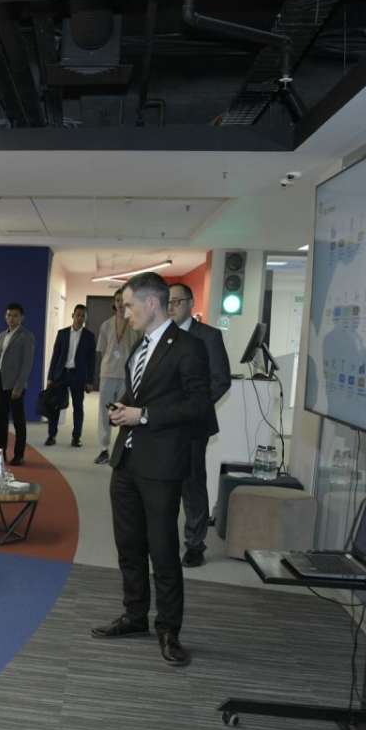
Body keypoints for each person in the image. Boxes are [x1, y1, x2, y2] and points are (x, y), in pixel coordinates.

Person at [91, 272, 211, 668]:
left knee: (162, 550)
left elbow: (198, 406)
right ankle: (135, 614)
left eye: (128, 306)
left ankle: (169, 629)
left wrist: (143, 415)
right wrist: (125, 408)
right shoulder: (141, 346)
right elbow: (141, 392)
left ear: (151, 304)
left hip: (161, 464)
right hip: (127, 461)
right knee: (128, 545)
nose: (124, 313)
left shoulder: (189, 348)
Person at [168, 283, 230, 567]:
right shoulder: (161, 335)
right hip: (163, 423)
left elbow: (220, 380)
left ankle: (195, 543)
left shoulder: (209, 336)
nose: (171, 307)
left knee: (192, 484)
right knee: (165, 483)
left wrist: (193, 407)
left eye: (177, 301)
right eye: (168, 302)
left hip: (193, 423)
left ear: (191, 303)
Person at [92, 284, 137, 465]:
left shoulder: (135, 324)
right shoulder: (106, 325)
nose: (120, 304)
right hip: (108, 373)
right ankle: (104, 449)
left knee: (124, 412)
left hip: (127, 375)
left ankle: (123, 449)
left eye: (123, 301)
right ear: (114, 303)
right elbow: (103, 351)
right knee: (105, 412)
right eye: (117, 300)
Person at [0, 301, 37, 465]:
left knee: (18, 421)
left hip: (15, 385)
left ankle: (19, 455)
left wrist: (19, 386)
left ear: (21, 318)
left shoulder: (26, 336)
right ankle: (0, 453)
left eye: (15, 316)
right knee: (1, 420)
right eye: (9, 315)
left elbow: (27, 364)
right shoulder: (2, 335)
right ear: (5, 316)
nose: (11, 318)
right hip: (0, 381)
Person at [43, 303, 97, 448]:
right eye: (78, 315)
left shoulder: (89, 336)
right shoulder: (62, 333)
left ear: (85, 318)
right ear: (73, 315)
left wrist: (90, 381)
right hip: (61, 374)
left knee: (78, 407)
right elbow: (55, 356)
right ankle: (51, 436)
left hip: (78, 376)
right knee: (55, 405)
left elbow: (92, 360)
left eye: (83, 316)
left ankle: (76, 437)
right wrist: (50, 377)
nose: (80, 318)